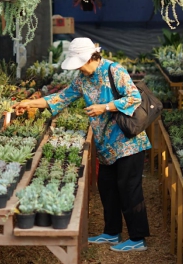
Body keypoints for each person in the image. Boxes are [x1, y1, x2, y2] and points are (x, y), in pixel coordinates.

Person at [13, 38, 151, 252]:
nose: (78, 67)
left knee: (129, 189)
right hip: (106, 145)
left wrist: (104, 107)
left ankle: (138, 238)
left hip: (128, 143)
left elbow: (134, 98)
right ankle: (112, 233)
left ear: (89, 57)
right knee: (108, 189)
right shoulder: (82, 79)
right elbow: (61, 98)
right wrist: (30, 102)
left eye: (79, 63)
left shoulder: (114, 71)